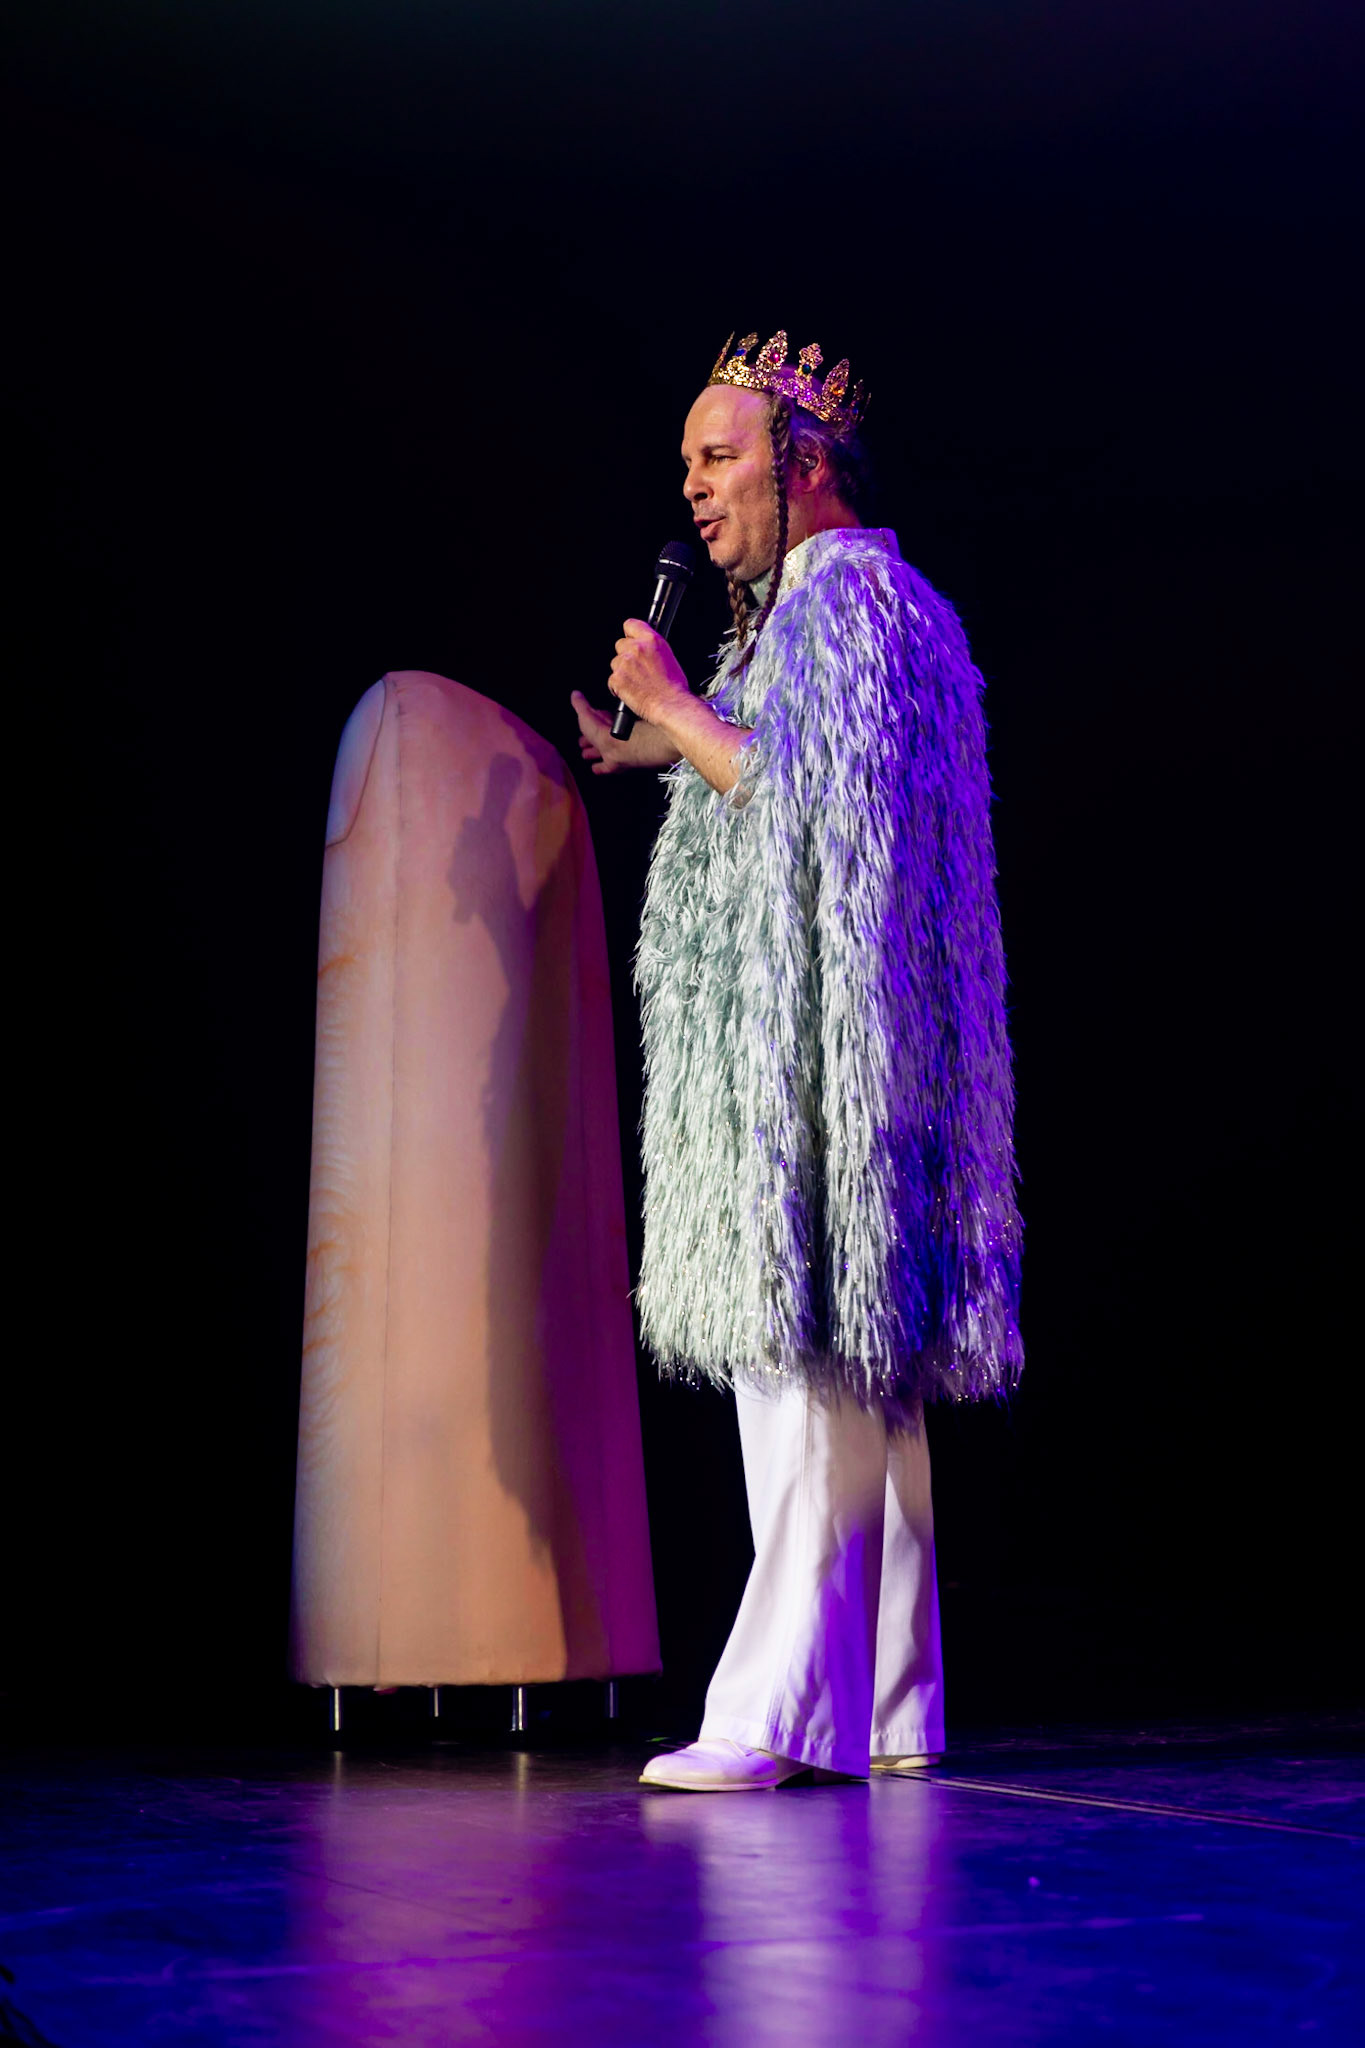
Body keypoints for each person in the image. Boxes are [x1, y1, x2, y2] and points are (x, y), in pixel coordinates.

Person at [571, 330, 1022, 1791]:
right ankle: (891, 1706)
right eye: (690, 467)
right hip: (847, 1057)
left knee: (806, 1377)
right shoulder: (834, 616)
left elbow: (800, 798)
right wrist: (660, 745)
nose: (695, 495)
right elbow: (782, 773)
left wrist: (681, 707)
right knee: (854, 1391)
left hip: (816, 1072)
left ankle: (769, 1716)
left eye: (719, 459)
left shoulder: (852, 605)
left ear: (802, 463)